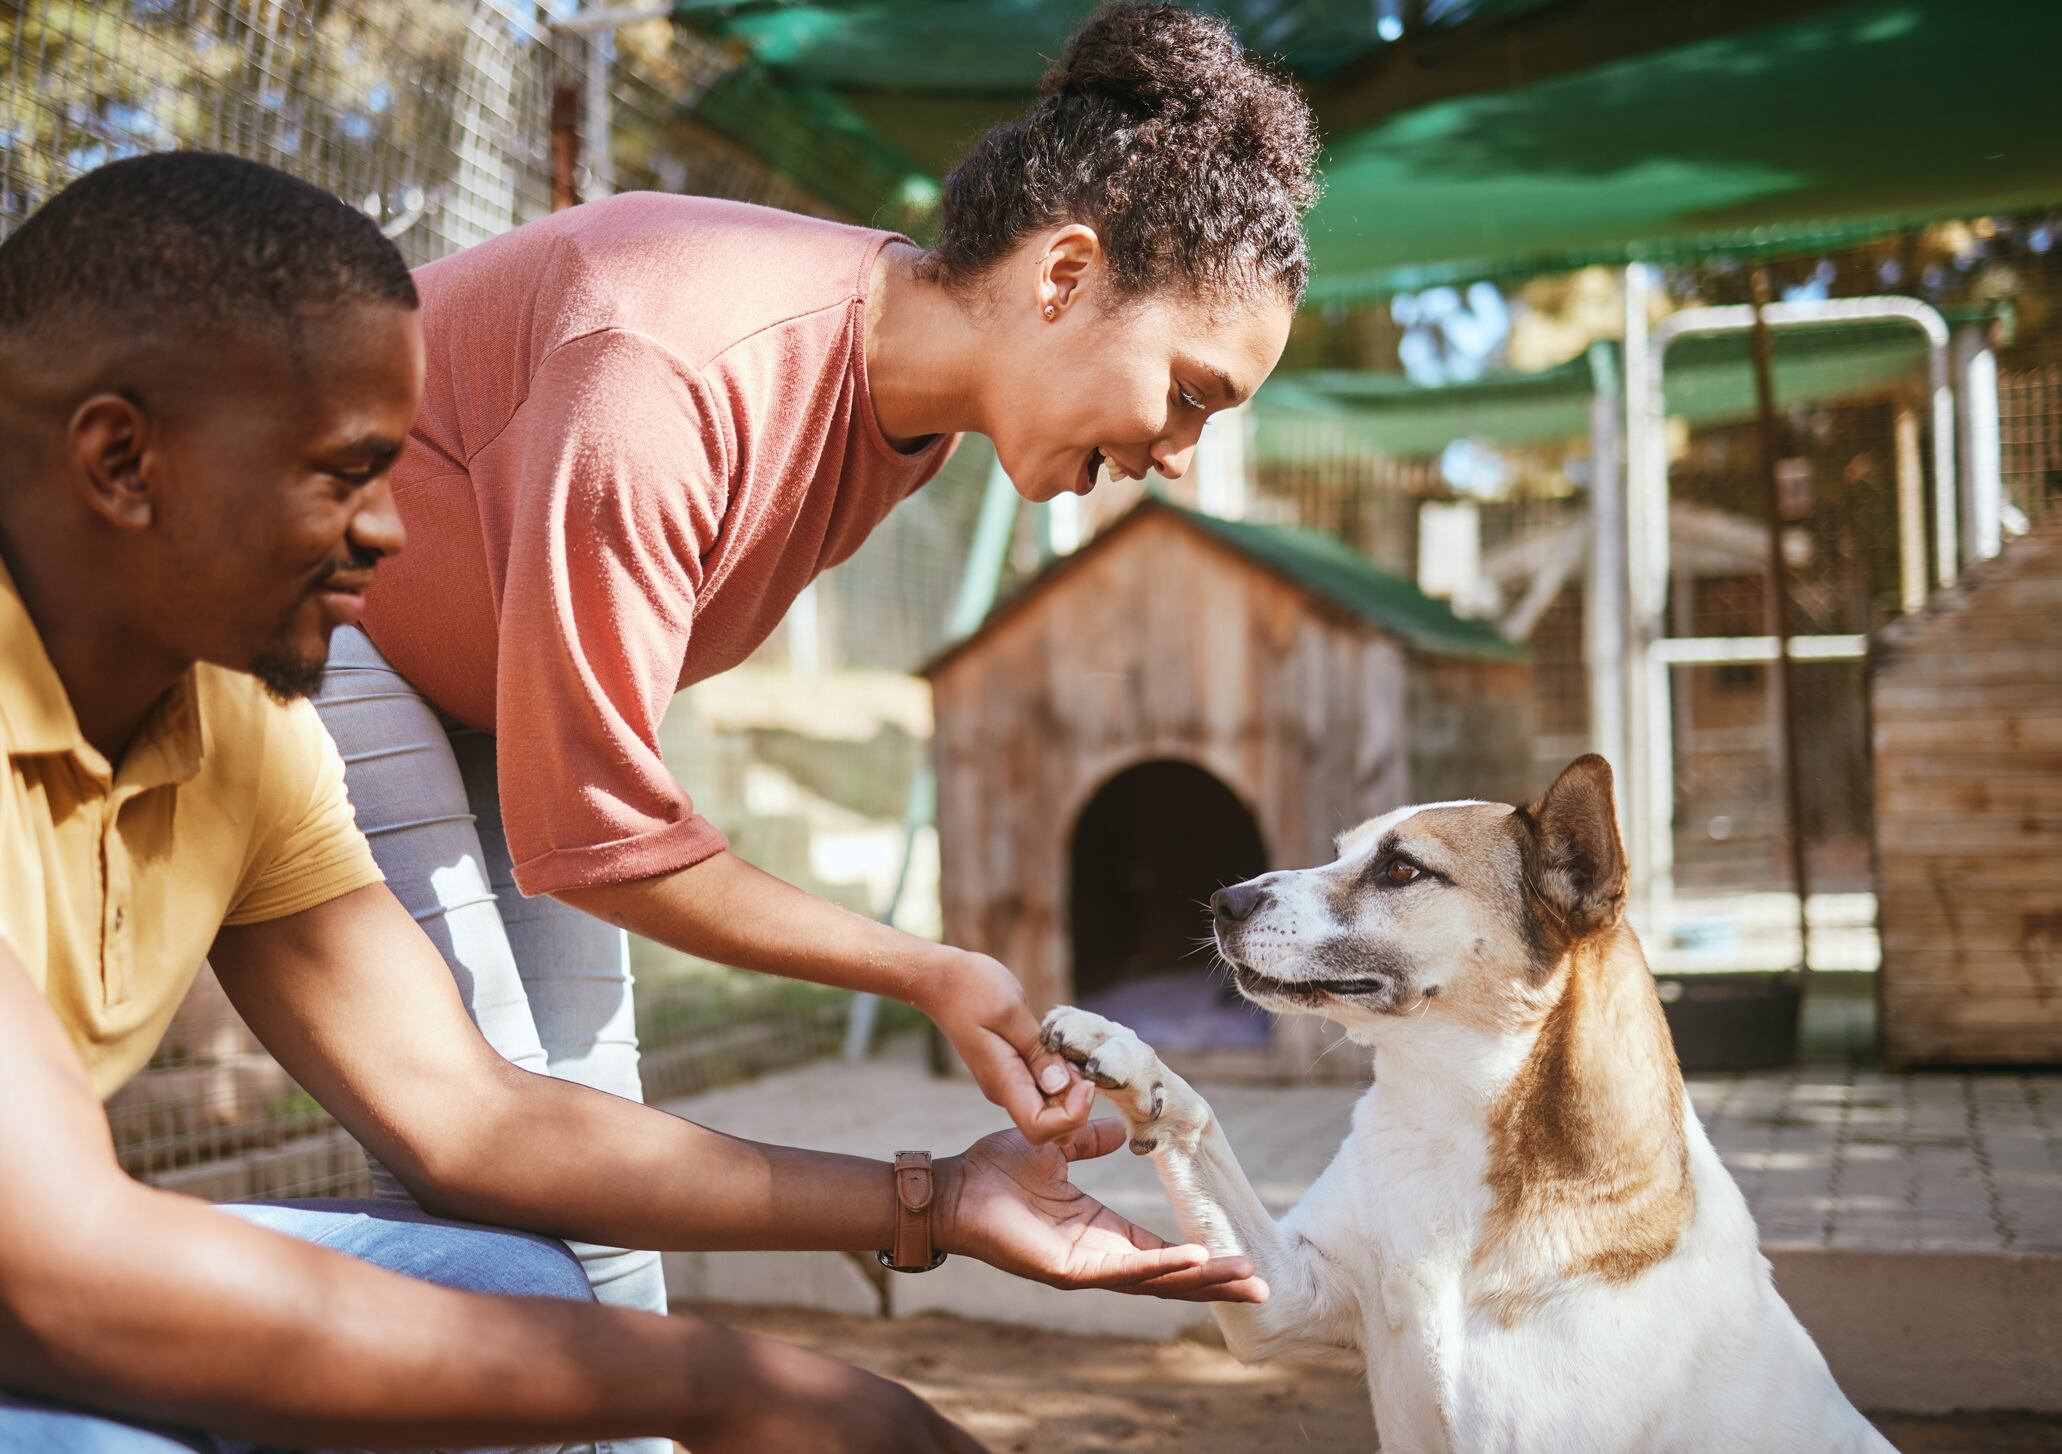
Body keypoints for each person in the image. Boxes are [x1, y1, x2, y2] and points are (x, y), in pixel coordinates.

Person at [0, 151, 1263, 1454]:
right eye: (342, 474)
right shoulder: (663, 360)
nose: (390, 530)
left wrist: (930, 1201)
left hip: (462, 716)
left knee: (519, 1279)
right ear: (119, 460)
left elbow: (472, 1118)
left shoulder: (235, 730)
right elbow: (57, 1277)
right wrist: (727, 1390)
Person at [322, 2, 1322, 1368]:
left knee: (588, 1112)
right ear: (1062, 275)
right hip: (323, 624)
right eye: (1190, 392)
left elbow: (584, 811)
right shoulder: (665, 372)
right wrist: (923, 969)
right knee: (487, 1140)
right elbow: (598, 829)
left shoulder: (911, 410)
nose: (1179, 452)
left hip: (480, 691)